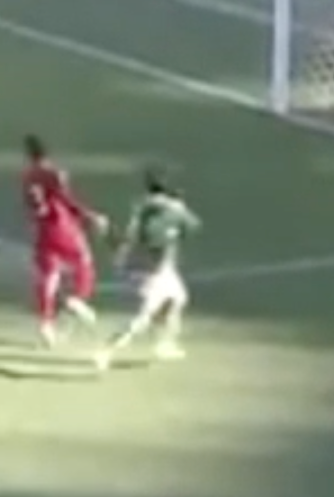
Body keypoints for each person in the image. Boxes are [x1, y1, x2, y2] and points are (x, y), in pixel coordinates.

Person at [95, 169, 201, 371]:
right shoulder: (161, 214)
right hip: (148, 273)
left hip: (156, 270)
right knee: (141, 319)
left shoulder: (144, 209)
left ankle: (164, 344)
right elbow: (183, 229)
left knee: (177, 298)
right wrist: (176, 221)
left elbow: (188, 226)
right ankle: (106, 350)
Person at [22, 135, 105, 348]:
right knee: (84, 262)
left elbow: (32, 203)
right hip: (63, 227)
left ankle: (46, 324)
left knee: (49, 277)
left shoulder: (27, 176)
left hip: (43, 230)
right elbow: (66, 200)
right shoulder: (55, 174)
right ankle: (78, 298)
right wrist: (90, 216)